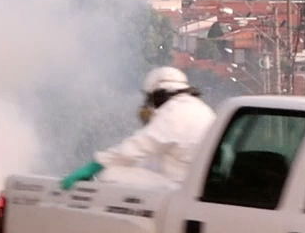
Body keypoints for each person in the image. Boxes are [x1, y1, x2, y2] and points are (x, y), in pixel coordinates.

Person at [60, 67, 216, 189]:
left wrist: (95, 165)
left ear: (156, 94)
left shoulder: (173, 113)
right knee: (142, 163)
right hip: (196, 184)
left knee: (110, 174)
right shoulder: (201, 109)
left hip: (179, 187)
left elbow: (134, 148)